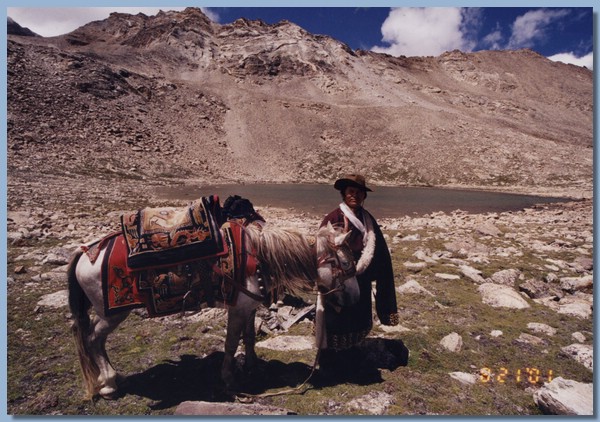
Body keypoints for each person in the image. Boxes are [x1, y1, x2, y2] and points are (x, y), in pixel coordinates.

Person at [318, 174, 399, 366]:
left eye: (358, 192)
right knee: (337, 320)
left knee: (358, 318)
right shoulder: (333, 218)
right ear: (344, 194)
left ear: (364, 196)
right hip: (339, 283)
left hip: (361, 280)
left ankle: (353, 351)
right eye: (350, 192)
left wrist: (381, 274)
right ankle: (331, 358)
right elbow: (322, 251)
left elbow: (379, 249)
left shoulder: (367, 218)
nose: (354, 195)